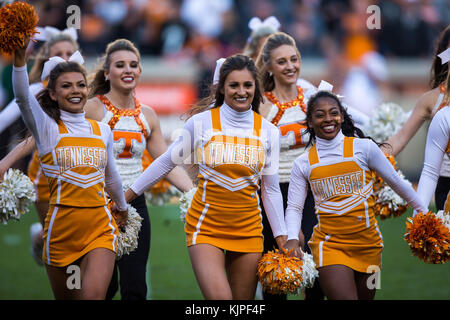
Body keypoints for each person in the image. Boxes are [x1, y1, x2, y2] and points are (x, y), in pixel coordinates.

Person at [124, 54, 287, 299]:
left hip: (249, 229)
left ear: (256, 87)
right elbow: (166, 162)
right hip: (206, 226)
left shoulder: (269, 131)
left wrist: (284, 236)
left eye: (247, 85)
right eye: (233, 85)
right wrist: (125, 197)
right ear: (221, 88)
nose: (241, 91)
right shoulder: (201, 123)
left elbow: (271, 189)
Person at [12, 38, 128, 299]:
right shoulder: (47, 128)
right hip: (61, 230)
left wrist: (122, 208)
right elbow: (22, 98)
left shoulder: (102, 130)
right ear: (53, 93)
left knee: (93, 296)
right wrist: (19, 61)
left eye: (80, 85)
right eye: (66, 86)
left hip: (100, 225)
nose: (76, 91)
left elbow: (112, 178)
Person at [284, 91, 427, 300]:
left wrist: (424, 212)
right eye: (320, 115)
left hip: (370, 246)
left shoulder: (364, 148)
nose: (328, 119)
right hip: (330, 246)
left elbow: (396, 182)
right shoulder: (303, 163)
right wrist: (291, 238)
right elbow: (295, 208)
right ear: (310, 122)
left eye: (333, 113)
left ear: (342, 116)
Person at [84, 38, 193, 300]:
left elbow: (165, 163)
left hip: (135, 205)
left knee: (135, 286)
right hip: (99, 204)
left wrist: (194, 192)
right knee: (104, 287)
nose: (128, 70)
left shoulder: (148, 115)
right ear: (107, 73)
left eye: (133, 65)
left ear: (140, 71)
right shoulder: (92, 109)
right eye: (120, 65)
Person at [0, 28, 80, 266]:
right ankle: (40, 238)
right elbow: (5, 121)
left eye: (69, 53)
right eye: (58, 53)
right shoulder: (36, 91)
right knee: (57, 240)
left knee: (79, 238)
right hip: (46, 174)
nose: (64, 58)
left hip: (80, 168)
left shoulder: (85, 90)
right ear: (46, 58)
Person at [255, 31, 323, 300]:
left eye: (294, 59)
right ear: (269, 67)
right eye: (281, 61)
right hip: (273, 189)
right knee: (276, 263)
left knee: (314, 257)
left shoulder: (314, 96)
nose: (290, 66)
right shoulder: (259, 105)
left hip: (310, 188)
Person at [384, 25, 450, 211]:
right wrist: (370, 156)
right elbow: (400, 137)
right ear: (446, 56)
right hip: (445, 184)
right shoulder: (432, 99)